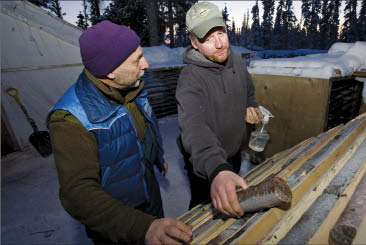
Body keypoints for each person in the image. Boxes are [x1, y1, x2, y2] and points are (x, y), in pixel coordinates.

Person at [48, 20, 192, 245]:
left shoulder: (132, 86)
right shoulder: (70, 120)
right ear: (110, 71)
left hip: (148, 191)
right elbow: (78, 195)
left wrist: (158, 156)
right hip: (116, 218)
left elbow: (147, 128)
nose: (145, 64)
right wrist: (142, 227)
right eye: (136, 60)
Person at [176, 2, 263, 218]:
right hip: (206, 161)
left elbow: (249, 90)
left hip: (233, 153)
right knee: (201, 211)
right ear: (194, 43)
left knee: (231, 205)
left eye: (221, 33)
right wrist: (216, 168)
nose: (219, 44)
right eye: (207, 39)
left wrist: (249, 105)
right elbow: (194, 127)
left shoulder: (237, 61)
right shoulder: (190, 79)